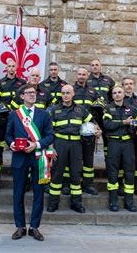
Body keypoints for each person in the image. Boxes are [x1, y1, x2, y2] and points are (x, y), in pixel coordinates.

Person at [5, 83, 54, 241]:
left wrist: (36, 144)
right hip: (19, 158)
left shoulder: (44, 114)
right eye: (29, 93)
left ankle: (34, 227)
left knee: (38, 193)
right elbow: (8, 135)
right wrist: (12, 144)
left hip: (38, 157)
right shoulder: (14, 114)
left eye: (34, 92)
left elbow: (50, 136)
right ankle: (20, 226)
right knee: (18, 192)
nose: (33, 95)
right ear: (22, 96)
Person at [47, 85, 95, 214]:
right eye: (63, 93)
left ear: (73, 94)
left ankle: (76, 203)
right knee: (57, 174)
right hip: (60, 144)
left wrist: (97, 129)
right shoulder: (54, 110)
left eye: (68, 93)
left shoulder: (81, 110)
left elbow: (92, 122)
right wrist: (51, 147)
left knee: (75, 174)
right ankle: (53, 203)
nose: (65, 95)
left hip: (76, 144)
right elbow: (48, 130)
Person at [103, 86, 137, 212]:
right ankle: (113, 201)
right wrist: (124, 122)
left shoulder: (132, 109)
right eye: (115, 93)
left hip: (128, 144)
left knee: (129, 172)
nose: (117, 95)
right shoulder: (108, 108)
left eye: (119, 92)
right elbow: (107, 125)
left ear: (124, 94)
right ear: (112, 96)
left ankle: (129, 202)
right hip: (113, 143)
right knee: (113, 172)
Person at [72, 67, 102, 195]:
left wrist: (97, 126)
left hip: (89, 127)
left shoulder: (92, 91)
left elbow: (101, 104)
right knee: (73, 158)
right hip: (73, 127)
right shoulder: (71, 90)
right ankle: (70, 184)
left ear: (87, 75)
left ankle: (88, 184)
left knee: (88, 158)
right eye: (79, 74)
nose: (81, 76)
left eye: (84, 74)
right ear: (76, 75)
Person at [0, 60, 26, 151]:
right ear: (6, 68)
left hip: (18, 113)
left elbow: (23, 97)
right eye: (9, 66)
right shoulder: (1, 82)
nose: (11, 68)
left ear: (16, 68)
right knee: (3, 133)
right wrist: (4, 109)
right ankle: (1, 153)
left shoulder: (22, 82)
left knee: (17, 132)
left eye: (13, 66)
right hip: (4, 114)